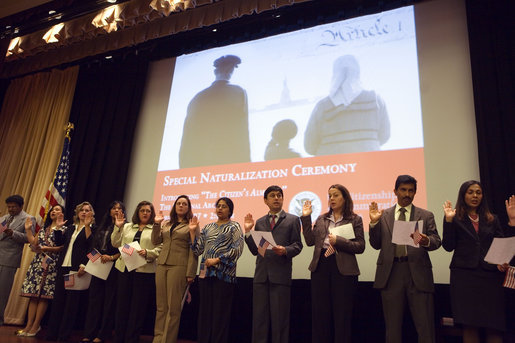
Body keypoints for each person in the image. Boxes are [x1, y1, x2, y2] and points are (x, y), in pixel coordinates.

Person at [369, 175, 441, 343]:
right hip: (391, 273)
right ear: (395, 191)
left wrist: (426, 240)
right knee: (392, 328)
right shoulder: (384, 215)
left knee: (425, 327)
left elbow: (437, 241)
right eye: (403, 190)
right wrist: (373, 224)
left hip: (418, 273)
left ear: (415, 192)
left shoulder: (426, 215)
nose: (407, 194)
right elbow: (375, 244)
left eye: (411, 190)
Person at [442, 180, 507, 342]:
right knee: (469, 324)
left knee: (494, 324)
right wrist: (448, 221)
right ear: (463, 195)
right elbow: (448, 246)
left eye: (478, 192)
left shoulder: (492, 219)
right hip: (464, 277)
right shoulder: (454, 218)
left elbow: (501, 244)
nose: (475, 196)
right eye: (470, 192)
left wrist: (502, 261)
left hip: (490, 277)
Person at [300, 184, 365, 343]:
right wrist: (306, 217)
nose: (332, 199)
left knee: (342, 315)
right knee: (320, 315)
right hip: (321, 266)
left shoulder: (355, 219)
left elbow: (360, 246)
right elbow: (309, 241)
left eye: (336, 195)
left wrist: (340, 241)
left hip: (343, 270)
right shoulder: (322, 219)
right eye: (330, 196)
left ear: (345, 198)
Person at [244, 185, 303, 343]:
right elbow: (256, 250)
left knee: (280, 321)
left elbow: (298, 245)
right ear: (265, 200)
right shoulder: (261, 222)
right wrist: (249, 232)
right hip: (261, 277)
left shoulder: (292, 220)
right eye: (272, 195)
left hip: (281, 277)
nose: (276, 198)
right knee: (259, 320)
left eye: (279, 195)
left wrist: (285, 250)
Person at [304, 55, 390, 156]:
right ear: (358, 73)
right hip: (368, 164)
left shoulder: (322, 106)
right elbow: (384, 136)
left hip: (333, 166)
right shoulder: (375, 99)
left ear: (334, 74)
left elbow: (309, 146)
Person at [179, 54, 250, 168]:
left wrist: (183, 169)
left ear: (215, 72)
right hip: (229, 164)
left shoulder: (197, 97)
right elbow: (242, 132)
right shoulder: (238, 92)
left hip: (199, 166)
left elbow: (187, 138)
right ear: (230, 70)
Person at [189, 197, 244, 343]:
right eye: (218, 206)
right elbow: (197, 250)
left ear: (230, 210)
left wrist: (218, 260)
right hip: (205, 274)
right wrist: (193, 232)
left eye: (224, 206)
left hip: (224, 276)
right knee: (204, 313)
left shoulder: (235, 227)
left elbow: (237, 249)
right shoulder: (208, 227)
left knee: (220, 316)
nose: (220, 208)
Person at [111, 201, 162, 343]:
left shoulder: (155, 229)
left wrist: (148, 252)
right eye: (142, 210)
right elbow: (115, 243)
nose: (145, 213)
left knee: (137, 308)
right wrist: (118, 227)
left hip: (144, 271)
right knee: (122, 305)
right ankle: (119, 337)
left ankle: (132, 338)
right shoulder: (127, 226)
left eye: (148, 211)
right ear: (137, 213)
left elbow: (160, 248)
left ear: (152, 214)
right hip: (124, 269)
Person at [46, 201, 95, 341]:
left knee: (70, 305)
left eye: (87, 210)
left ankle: (63, 335)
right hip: (64, 267)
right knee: (58, 301)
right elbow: (59, 242)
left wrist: (84, 265)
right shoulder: (71, 228)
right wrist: (57, 228)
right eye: (82, 210)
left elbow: (91, 246)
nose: (84, 212)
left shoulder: (92, 228)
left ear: (91, 213)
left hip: (76, 268)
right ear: (77, 212)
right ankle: (52, 333)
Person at [152, 195, 198, 343]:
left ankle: (167, 340)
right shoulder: (166, 223)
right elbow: (155, 241)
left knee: (173, 308)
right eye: (179, 203)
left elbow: (195, 250)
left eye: (184, 204)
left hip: (179, 266)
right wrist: (157, 224)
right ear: (174, 206)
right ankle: (158, 339)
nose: (181, 206)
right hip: (162, 265)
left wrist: (191, 272)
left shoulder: (192, 225)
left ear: (188, 208)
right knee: (161, 307)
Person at [16, 205, 65, 337]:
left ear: (62, 214)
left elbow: (62, 247)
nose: (54, 211)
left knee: (44, 296)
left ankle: (36, 325)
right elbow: (34, 242)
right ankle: (28, 325)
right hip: (38, 263)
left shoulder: (65, 228)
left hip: (52, 263)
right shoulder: (44, 228)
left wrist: (47, 249)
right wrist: (28, 230)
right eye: (53, 210)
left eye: (57, 210)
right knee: (33, 296)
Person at [81, 201, 125, 343]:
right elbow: (92, 245)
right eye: (114, 208)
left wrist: (111, 257)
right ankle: (89, 333)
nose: (116, 210)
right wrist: (95, 259)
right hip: (98, 265)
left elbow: (127, 248)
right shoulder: (102, 226)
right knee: (94, 301)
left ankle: (102, 334)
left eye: (120, 208)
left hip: (114, 266)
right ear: (110, 211)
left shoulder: (126, 227)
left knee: (109, 302)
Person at [0, 194, 33, 326]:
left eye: (13, 206)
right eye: (9, 206)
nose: (11, 209)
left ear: (21, 206)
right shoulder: (3, 218)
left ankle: (0, 319)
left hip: (9, 259)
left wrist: (12, 233)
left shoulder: (28, 219)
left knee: (2, 291)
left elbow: (28, 238)